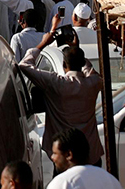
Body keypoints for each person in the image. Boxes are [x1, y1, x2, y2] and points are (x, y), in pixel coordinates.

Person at [18, 14, 104, 168]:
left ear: (65, 66)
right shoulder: (93, 83)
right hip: (91, 154)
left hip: (65, 158)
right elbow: (90, 71)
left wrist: (43, 43)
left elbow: (24, 65)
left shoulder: (56, 83)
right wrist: (76, 49)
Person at [45, 129, 122, 189]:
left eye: (55, 153)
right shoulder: (110, 179)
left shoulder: (61, 183)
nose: (52, 157)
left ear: (69, 155)